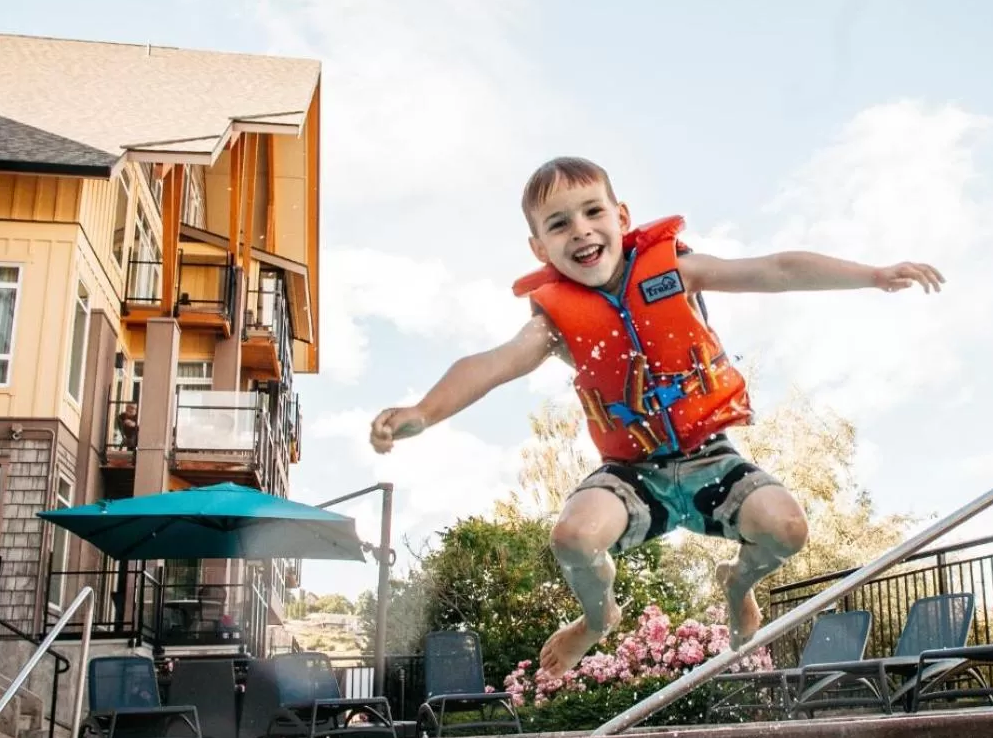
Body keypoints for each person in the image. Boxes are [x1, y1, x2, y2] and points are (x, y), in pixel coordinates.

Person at [369, 157, 944, 680]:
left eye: (593, 212)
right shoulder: (553, 323)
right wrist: (423, 412)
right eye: (559, 224)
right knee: (573, 536)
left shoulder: (677, 270)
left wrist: (872, 274)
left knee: (787, 529)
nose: (581, 231)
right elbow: (492, 364)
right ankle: (598, 619)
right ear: (540, 248)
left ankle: (738, 581)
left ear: (620, 217)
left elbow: (777, 269)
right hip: (632, 474)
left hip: (708, 459)